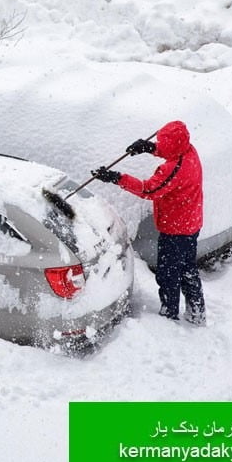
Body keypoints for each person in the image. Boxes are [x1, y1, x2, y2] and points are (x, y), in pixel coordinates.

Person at [91, 121, 206, 325]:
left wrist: (117, 178)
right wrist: (150, 148)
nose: (159, 144)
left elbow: (149, 190)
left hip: (176, 230)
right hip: (190, 224)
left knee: (168, 274)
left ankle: (169, 314)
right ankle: (196, 312)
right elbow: (173, 150)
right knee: (188, 269)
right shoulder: (189, 151)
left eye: (162, 142)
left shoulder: (174, 169)